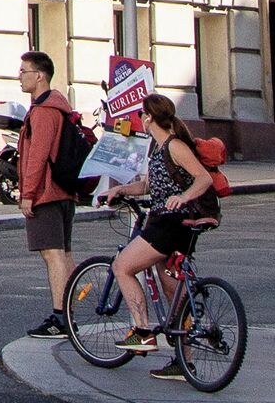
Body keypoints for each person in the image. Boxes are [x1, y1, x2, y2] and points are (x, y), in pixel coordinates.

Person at [100, 95, 225, 376]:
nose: (139, 120)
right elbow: (150, 185)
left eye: (140, 115)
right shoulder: (158, 147)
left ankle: (142, 332)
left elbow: (203, 178)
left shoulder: (174, 145)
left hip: (169, 225)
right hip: (172, 224)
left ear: (149, 117)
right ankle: (184, 362)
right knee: (174, 294)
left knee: (122, 267)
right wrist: (120, 190)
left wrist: (183, 197)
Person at [15, 51, 85, 335]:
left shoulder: (44, 111)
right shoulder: (60, 107)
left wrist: (28, 194)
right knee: (63, 254)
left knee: (52, 254)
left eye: (24, 71)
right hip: (64, 191)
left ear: (40, 76)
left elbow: (38, 156)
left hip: (47, 192)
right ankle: (67, 313)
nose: (19, 77)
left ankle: (61, 317)